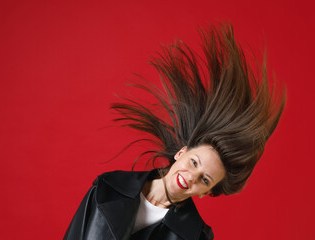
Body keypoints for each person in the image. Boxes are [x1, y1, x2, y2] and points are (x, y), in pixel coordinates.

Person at [63, 23, 285, 240]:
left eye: (204, 180)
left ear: (205, 193)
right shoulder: (107, 188)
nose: (190, 177)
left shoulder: (196, 235)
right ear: (181, 152)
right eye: (194, 162)